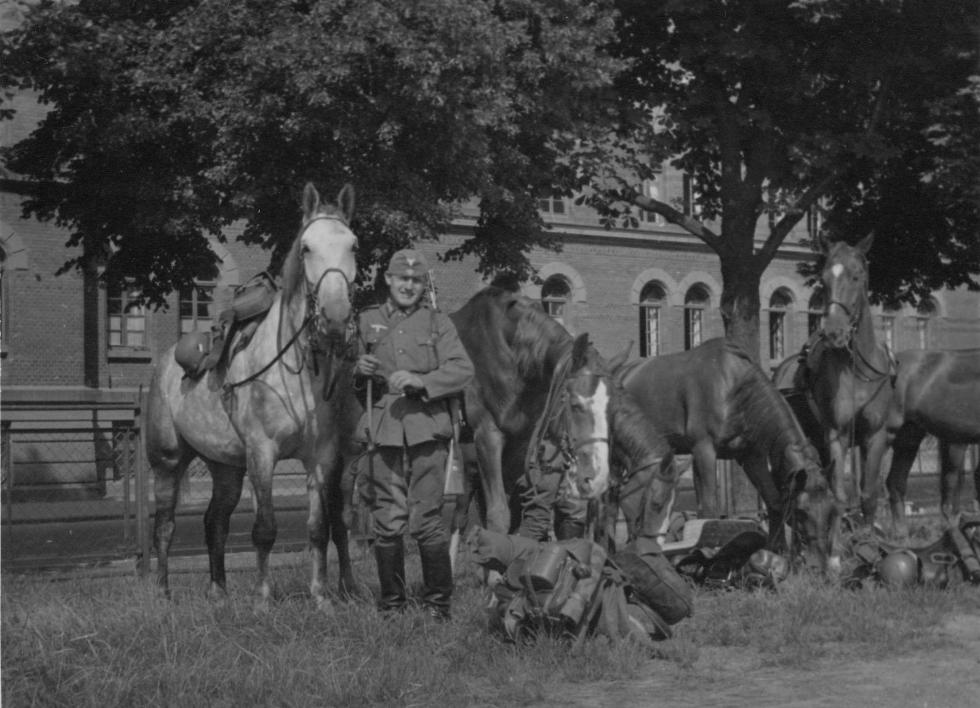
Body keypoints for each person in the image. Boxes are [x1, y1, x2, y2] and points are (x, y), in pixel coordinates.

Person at [354, 249, 474, 619]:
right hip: (383, 428)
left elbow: (462, 369)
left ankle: (438, 606)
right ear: (388, 280)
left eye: (416, 280)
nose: (408, 285)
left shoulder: (439, 323)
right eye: (402, 278)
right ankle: (392, 606)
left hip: (427, 428)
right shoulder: (367, 320)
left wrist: (423, 381)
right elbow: (352, 382)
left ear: (424, 285)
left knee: (427, 517)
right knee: (387, 518)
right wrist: (359, 370)